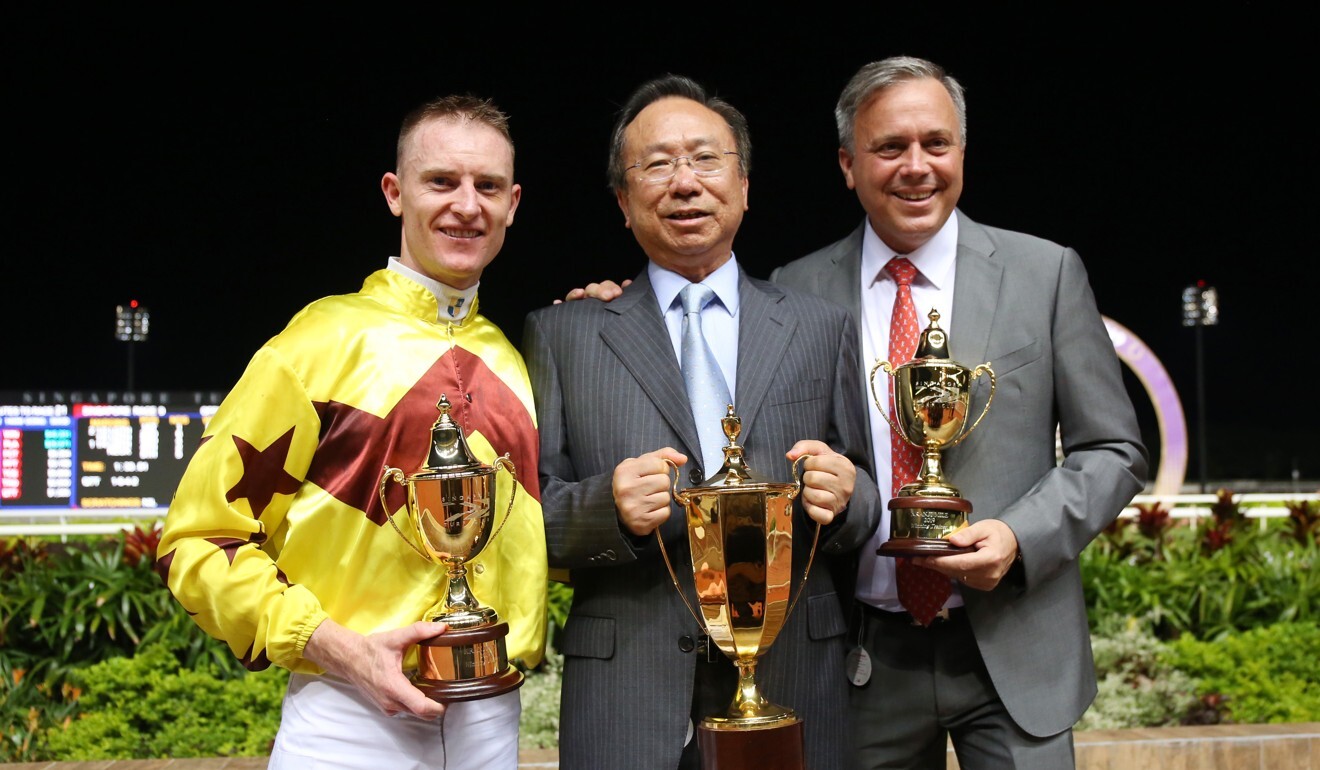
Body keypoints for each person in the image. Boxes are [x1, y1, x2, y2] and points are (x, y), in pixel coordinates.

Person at [770, 56, 1148, 768]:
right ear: (848, 165)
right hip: (862, 657)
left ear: (962, 153)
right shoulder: (795, 293)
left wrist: (1019, 536)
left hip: (1015, 649)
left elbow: (1115, 451)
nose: (917, 167)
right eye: (890, 148)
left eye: (936, 144)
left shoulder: (1046, 274)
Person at [156, 95, 546, 769]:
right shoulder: (316, 342)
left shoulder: (513, 359)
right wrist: (336, 647)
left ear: (513, 203)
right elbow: (196, 540)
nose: (466, 204)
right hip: (350, 716)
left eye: (486, 186)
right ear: (395, 193)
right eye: (441, 182)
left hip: (493, 711)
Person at [522, 74, 880, 770]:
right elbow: (523, 520)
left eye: (705, 159)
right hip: (629, 695)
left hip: (794, 681)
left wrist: (848, 496)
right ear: (624, 204)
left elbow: (866, 504)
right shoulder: (564, 334)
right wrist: (607, 510)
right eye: (656, 164)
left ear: (744, 185)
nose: (684, 183)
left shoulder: (818, 327)